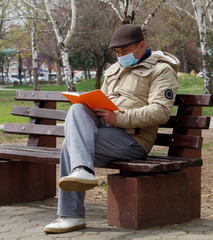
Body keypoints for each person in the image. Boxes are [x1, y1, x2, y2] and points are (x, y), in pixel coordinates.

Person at [44, 24, 180, 234]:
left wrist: (118, 118)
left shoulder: (162, 70)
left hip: (133, 141)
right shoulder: (114, 69)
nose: (120, 57)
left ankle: (72, 214)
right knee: (78, 108)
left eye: (125, 51)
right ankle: (83, 172)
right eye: (117, 53)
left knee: (69, 146)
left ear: (141, 45)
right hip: (107, 131)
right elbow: (103, 102)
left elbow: (161, 111)